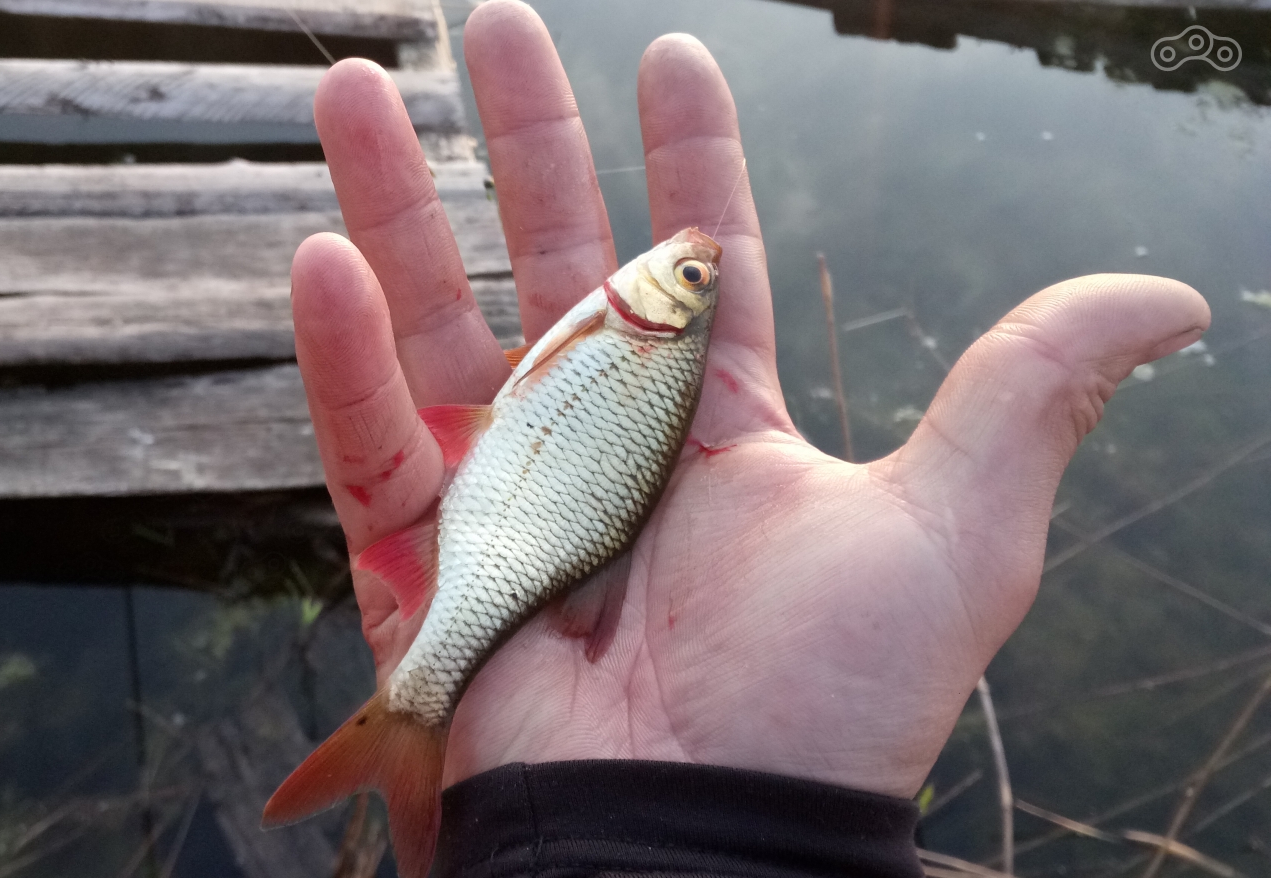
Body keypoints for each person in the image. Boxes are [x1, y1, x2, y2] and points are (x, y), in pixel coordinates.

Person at [288, 1, 1211, 874]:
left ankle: (410, 719)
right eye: (695, 273)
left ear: (660, 310)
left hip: (515, 540)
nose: (688, 266)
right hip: (519, 532)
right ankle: (412, 731)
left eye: (688, 275)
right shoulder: (639, 345)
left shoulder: (634, 335)